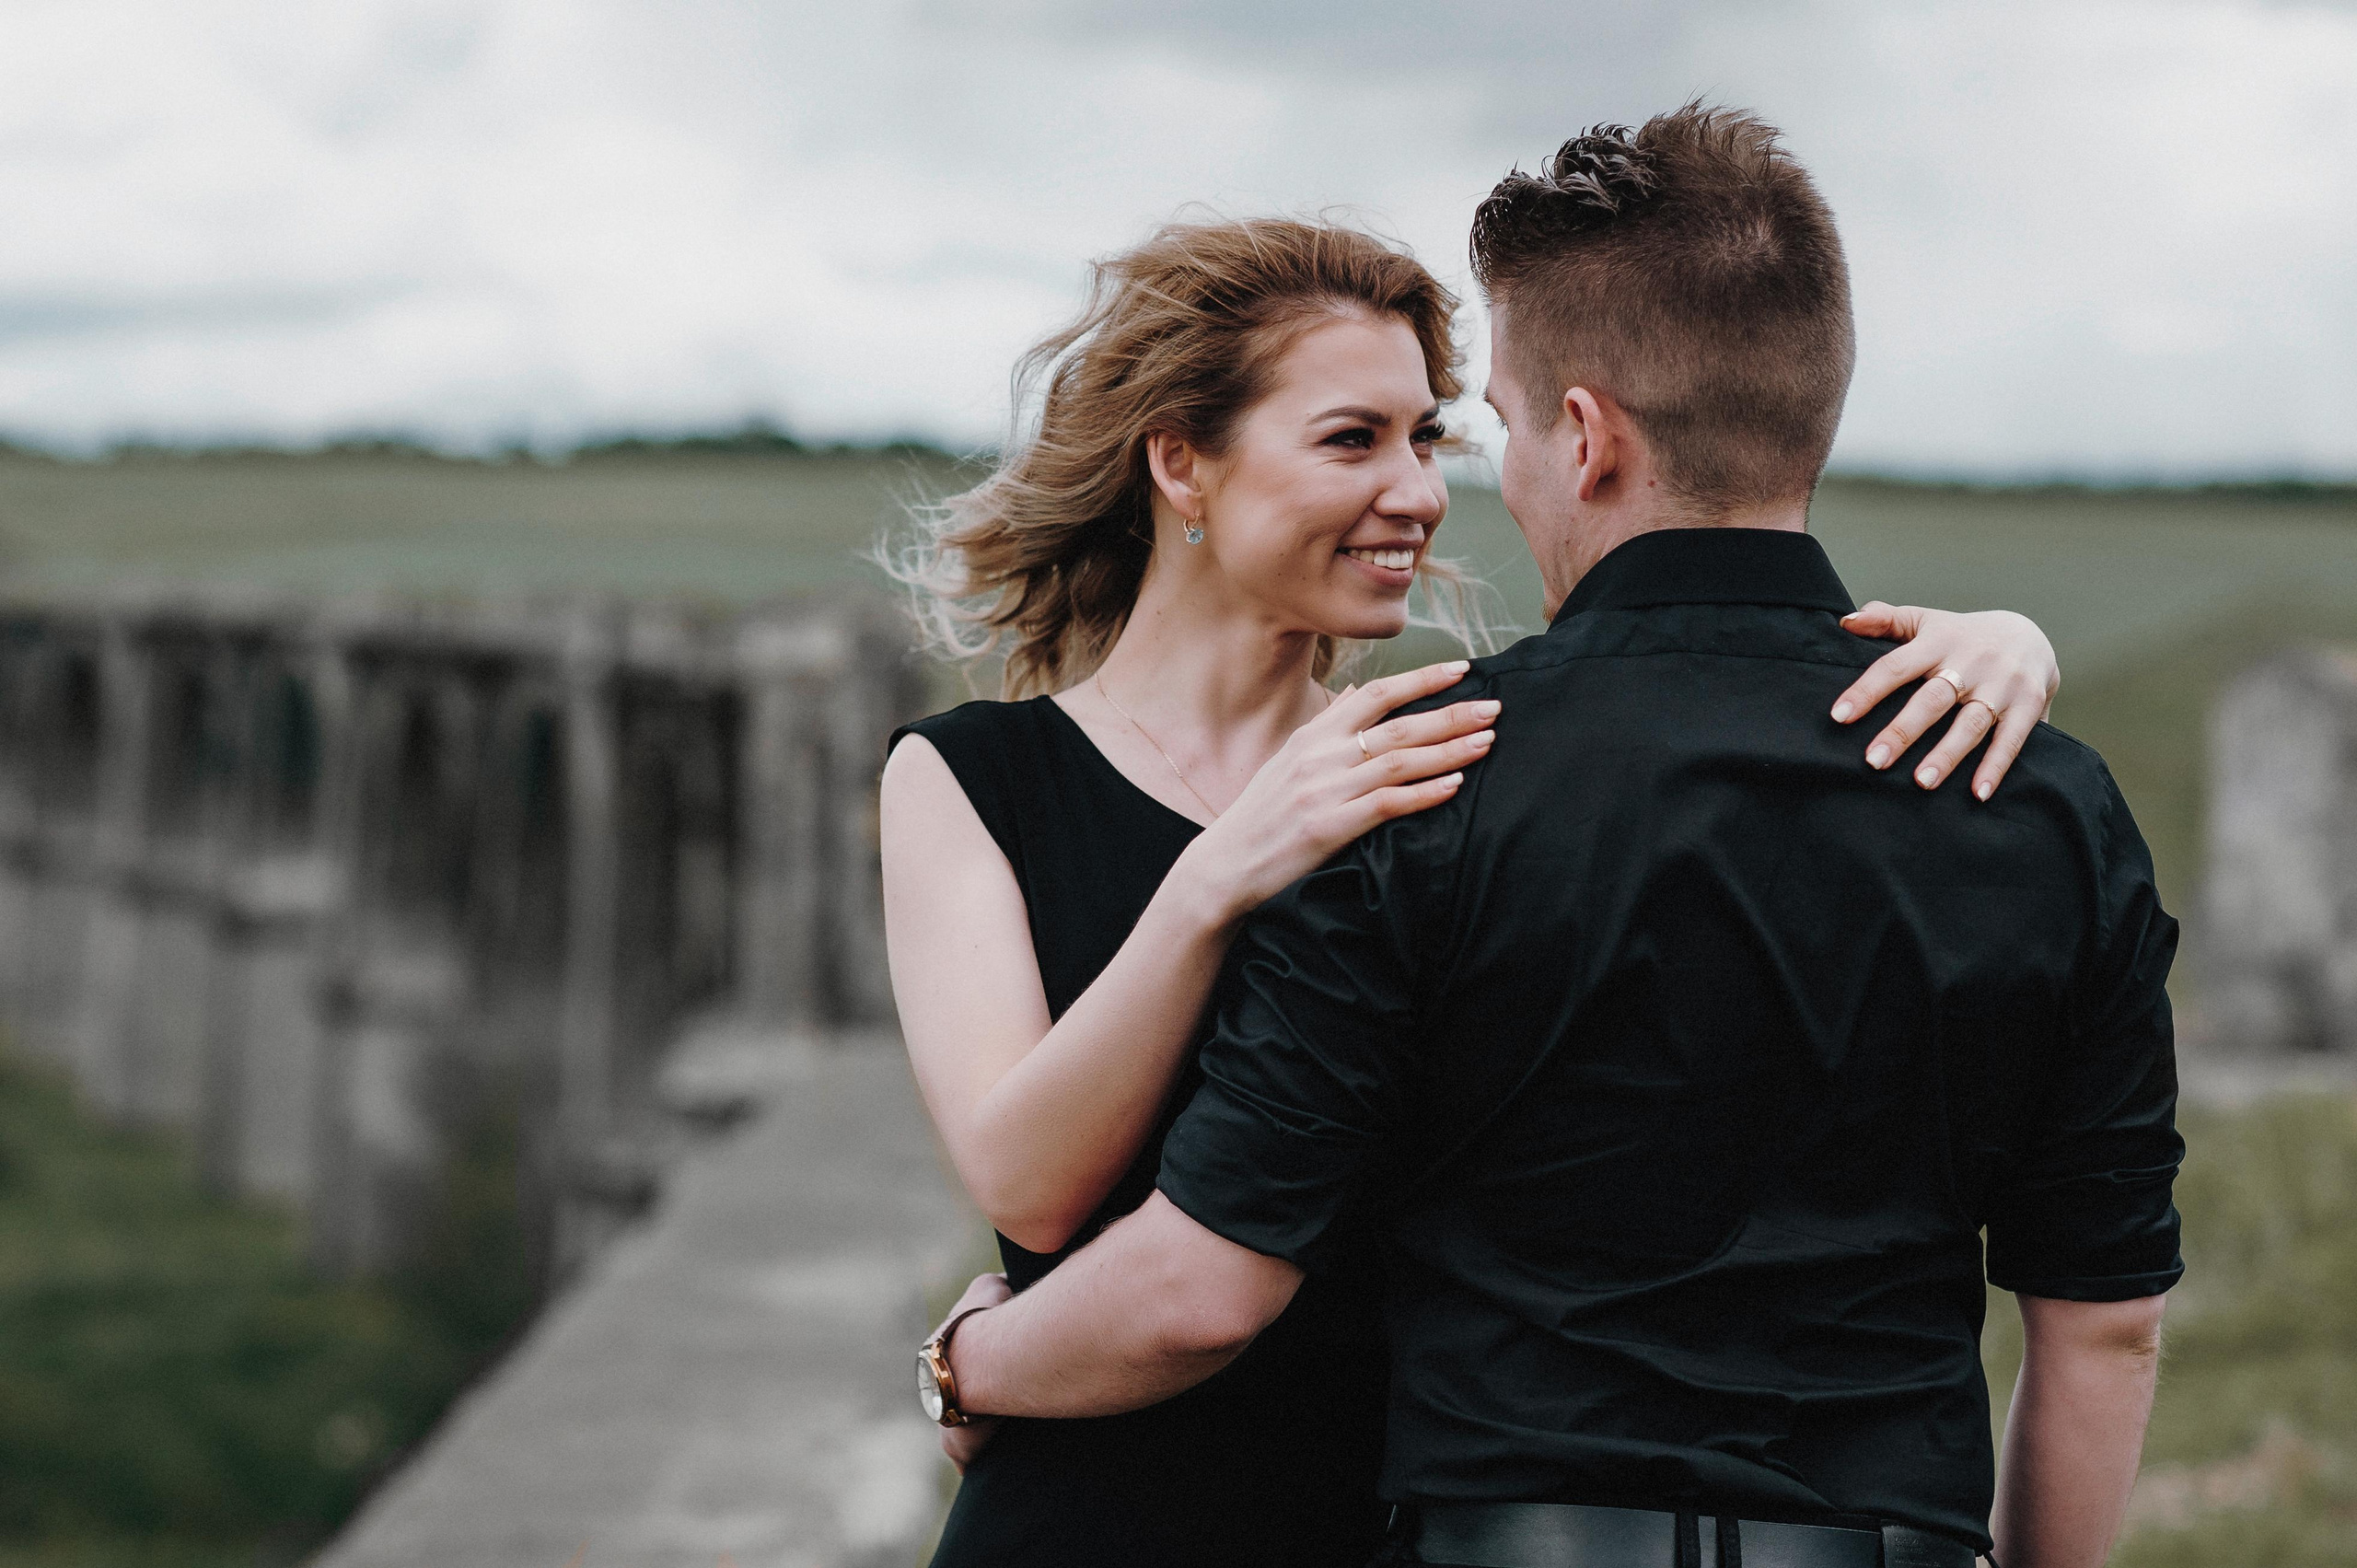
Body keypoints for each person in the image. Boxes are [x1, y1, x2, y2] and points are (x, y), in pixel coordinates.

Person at [920, 107, 2181, 1568]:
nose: (1464, 488)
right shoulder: (2041, 799)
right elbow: (2109, 1332)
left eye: (1493, 431)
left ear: (1583, 439)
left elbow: (1207, 1283)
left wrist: (967, 1366)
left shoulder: (1419, 783)